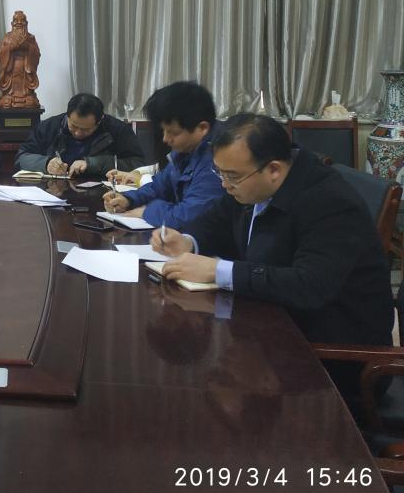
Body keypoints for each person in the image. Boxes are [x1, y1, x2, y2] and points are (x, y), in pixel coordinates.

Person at [152, 113, 392, 387]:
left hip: (331, 359)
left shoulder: (330, 203)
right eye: (220, 173)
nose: (224, 184)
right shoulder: (254, 184)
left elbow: (308, 285)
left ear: (274, 169)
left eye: (232, 176)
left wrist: (218, 271)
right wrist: (187, 240)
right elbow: (218, 219)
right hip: (273, 330)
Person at [102, 81, 224, 228]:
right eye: (163, 131)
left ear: (202, 128)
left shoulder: (218, 158)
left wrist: (147, 211)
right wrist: (129, 199)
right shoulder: (185, 149)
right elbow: (160, 185)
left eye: (173, 132)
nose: (165, 139)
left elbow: (191, 217)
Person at [16, 92, 144, 178]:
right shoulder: (49, 127)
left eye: (85, 129)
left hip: (101, 193)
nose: (78, 133)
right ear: (67, 116)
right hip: (54, 191)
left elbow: (138, 164)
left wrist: (94, 164)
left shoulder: (117, 130)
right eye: (73, 126)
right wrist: (46, 163)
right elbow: (21, 158)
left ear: (99, 121)